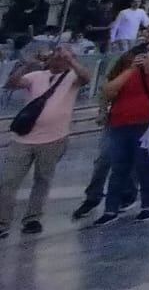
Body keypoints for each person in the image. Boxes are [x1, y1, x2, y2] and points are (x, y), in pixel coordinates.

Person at [93, 29, 149, 224]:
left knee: (146, 167)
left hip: (148, 125)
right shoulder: (129, 71)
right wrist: (130, 70)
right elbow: (108, 91)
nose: (148, 54)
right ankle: (111, 209)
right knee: (119, 168)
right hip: (120, 124)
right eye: (145, 51)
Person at [0, 41, 87, 238]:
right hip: (23, 138)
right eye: (56, 53)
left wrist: (71, 59)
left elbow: (86, 77)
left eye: (63, 53)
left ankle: (32, 218)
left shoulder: (72, 77)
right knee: (8, 180)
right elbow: (11, 84)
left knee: (43, 179)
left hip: (54, 138)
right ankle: (2, 220)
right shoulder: (37, 76)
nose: (58, 56)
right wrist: (27, 64)